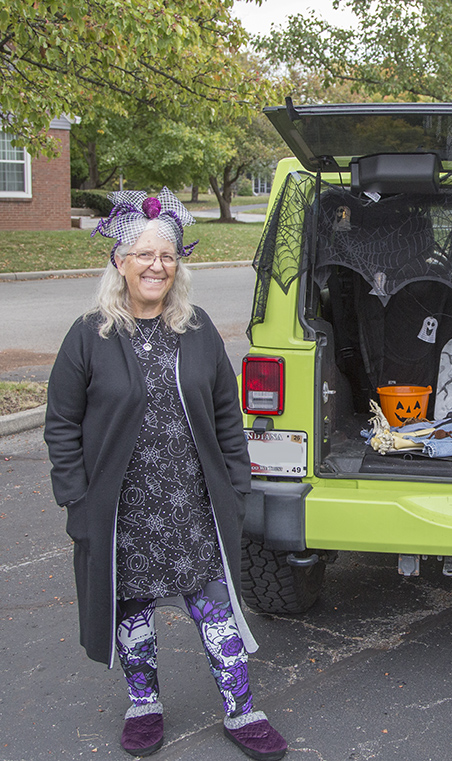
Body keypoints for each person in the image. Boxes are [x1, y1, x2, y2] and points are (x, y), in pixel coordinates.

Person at [44, 188, 287, 760]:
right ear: (119, 262)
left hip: (191, 504)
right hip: (123, 509)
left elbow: (228, 413)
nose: (158, 266)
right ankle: (143, 704)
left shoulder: (196, 328)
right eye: (145, 256)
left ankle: (241, 709)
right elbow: (61, 424)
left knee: (215, 606)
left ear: (178, 265)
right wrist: (77, 501)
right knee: (132, 608)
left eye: (169, 256)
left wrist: (236, 483)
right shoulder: (89, 334)